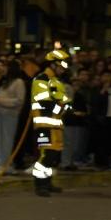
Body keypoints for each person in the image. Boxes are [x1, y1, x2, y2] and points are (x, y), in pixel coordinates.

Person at [31, 50, 70, 196]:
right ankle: (40, 185)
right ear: (53, 64)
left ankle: (47, 182)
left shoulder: (56, 82)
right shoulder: (41, 80)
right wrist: (62, 106)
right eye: (61, 66)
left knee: (53, 156)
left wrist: (64, 106)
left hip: (55, 125)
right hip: (44, 125)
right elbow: (45, 104)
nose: (63, 69)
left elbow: (64, 102)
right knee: (45, 155)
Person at [0, 60, 25, 174]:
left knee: (6, 141)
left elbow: (19, 101)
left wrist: (0, 100)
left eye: (5, 66)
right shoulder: (5, 82)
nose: (3, 69)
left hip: (10, 115)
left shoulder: (18, 82)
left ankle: (5, 165)